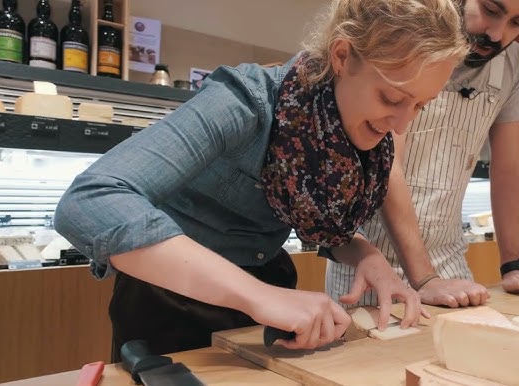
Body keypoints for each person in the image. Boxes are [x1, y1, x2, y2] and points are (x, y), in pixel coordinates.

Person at [53, 0, 468, 360]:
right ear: (342, 56)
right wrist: (259, 297)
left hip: (265, 298)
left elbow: (311, 214)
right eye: (392, 98)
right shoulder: (245, 101)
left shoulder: (349, 130)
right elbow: (89, 200)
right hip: (167, 305)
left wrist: (365, 255)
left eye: (419, 106)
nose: (401, 122)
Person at [326, 0, 519, 308]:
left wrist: (514, 266)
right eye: (490, 11)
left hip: (450, 265)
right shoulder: (407, 37)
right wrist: (425, 279)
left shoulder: (513, 63)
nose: (498, 35)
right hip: (367, 268)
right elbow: (390, 165)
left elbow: (508, 168)